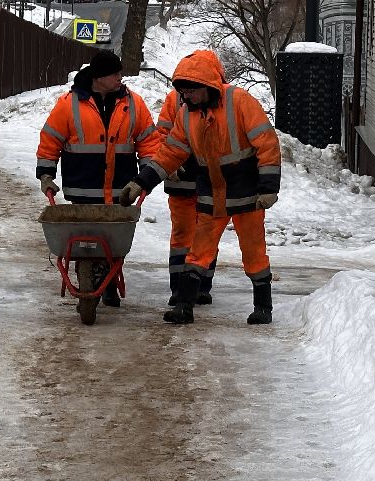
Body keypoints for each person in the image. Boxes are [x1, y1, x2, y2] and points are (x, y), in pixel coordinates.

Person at [119, 49, 280, 325]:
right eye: (182, 91)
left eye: (190, 91)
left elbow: (267, 143)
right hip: (213, 193)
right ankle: (185, 305)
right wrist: (140, 182)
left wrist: (268, 187)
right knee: (198, 250)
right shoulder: (187, 115)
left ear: (206, 86)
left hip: (248, 193)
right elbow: (170, 153)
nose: (185, 97)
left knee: (253, 250)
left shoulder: (240, 102)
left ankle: (263, 306)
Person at [36, 49, 161, 307]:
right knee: (89, 242)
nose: (120, 77)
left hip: (121, 191)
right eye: (115, 73)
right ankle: (97, 279)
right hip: (82, 192)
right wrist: (46, 175)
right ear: (99, 76)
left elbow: (149, 142)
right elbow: (50, 140)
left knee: (111, 243)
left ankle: (109, 280)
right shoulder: (69, 104)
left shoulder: (133, 104)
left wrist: (146, 177)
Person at [156, 50, 223, 307]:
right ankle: (184, 288)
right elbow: (163, 134)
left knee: (199, 234)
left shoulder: (220, 100)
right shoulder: (177, 99)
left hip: (208, 179)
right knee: (191, 235)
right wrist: (166, 164)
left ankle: (198, 286)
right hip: (185, 179)